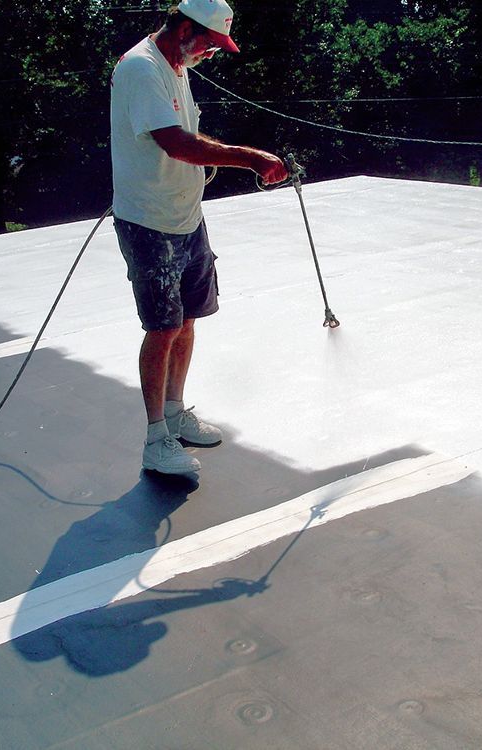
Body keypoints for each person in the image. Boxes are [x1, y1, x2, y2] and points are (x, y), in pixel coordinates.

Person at [110, 0, 288, 476]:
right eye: (211, 42)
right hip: (149, 221)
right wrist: (249, 158)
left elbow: (187, 131)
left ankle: (174, 412)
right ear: (186, 27)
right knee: (163, 327)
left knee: (188, 320)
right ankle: (155, 439)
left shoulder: (178, 65)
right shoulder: (142, 68)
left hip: (186, 215)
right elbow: (175, 143)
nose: (212, 52)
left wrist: (214, 154)